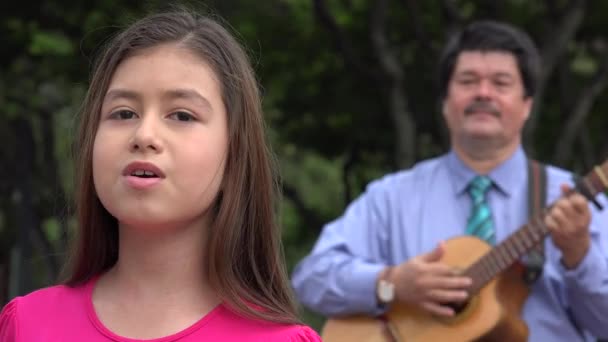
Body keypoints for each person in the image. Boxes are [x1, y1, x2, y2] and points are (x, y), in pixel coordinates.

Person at [0, 9, 321, 342]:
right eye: (123, 113)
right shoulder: (28, 325)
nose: (144, 134)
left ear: (234, 156)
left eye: (181, 115)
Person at [292, 20, 608, 341]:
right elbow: (311, 278)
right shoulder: (392, 197)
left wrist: (580, 255)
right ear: (445, 102)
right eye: (468, 81)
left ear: (527, 105)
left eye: (501, 83)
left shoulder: (574, 201)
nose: (483, 93)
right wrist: (391, 284)